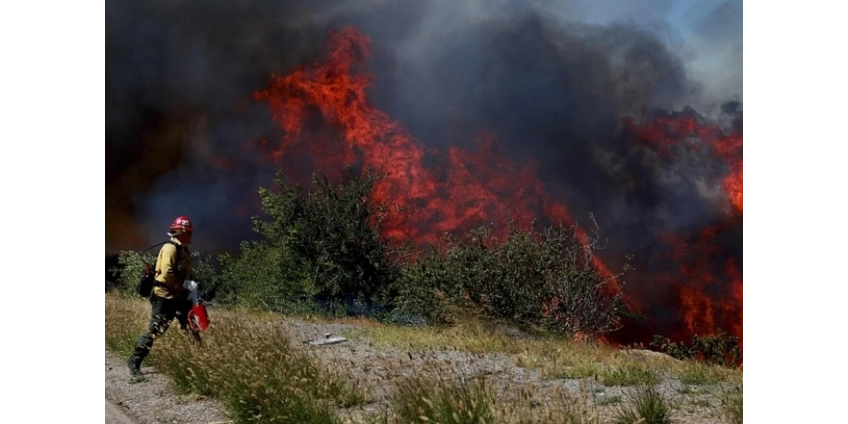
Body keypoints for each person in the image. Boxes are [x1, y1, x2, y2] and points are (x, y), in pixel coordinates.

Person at [127, 215, 201, 377]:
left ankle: (202, 363)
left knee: (191, 327)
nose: (191, 236)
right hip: (165, 297)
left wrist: (191, 290)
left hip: (181, 298)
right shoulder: (170, 249)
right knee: (156, 330)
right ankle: (135, 360)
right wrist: (186, 284)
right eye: (188, 232)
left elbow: (187, 273)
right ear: (180, 232)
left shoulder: (184, 250)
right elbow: (167, 275)